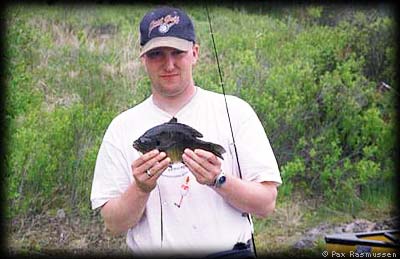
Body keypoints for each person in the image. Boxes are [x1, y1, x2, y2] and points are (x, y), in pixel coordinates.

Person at [90, 6, 282, 258]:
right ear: (143, 58)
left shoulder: (235, 111)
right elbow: (114, 225)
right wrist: (140, 188)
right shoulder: (121, 127)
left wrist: (218, 180)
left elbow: (266, 204)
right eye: (157, 54)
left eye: (177, 52)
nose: (168, 64)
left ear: (195, 53)